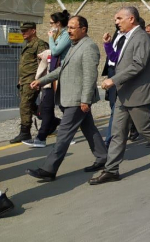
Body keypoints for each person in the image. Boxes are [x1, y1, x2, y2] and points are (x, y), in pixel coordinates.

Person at [90, 7, 150, 185]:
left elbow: (138, 64)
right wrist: (107, 45)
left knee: (146, 129)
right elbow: (116, 59)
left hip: (137, 93)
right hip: (125, 93)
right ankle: (111, 169)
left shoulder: (141, 37)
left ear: (131, 19)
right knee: (117, 132)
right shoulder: (125, 37)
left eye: (119, 18)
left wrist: (113, 80)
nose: (116, 22)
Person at [26, 16, 108, 181]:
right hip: (71, 97)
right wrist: (41, 81)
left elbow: (90, 76)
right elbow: (61, 70)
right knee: (89, 129)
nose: (68, 31)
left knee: (63, 134)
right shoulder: (74, 46)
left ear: (83, 29)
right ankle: (103, 157)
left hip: (77, 99)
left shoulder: (89, 47)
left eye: (72, 27)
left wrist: (85, 100)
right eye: (68, 28)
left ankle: (49, 169)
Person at [22, 11, 71, 148]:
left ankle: (47, 136)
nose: (49, 26)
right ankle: (42, 137)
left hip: (60, 75)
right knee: (47, 107)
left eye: (51, 23)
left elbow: (56, 52)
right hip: (53, 75)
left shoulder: (65, 35)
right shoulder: (59, 35)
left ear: (58, 23)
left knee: (63, 107)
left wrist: (50, 39)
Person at [10, 22, 49, 144]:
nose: (23, 33)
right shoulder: (27, 45)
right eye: (22, 31)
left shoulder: (39, 44)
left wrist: (39, 80)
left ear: (33, 30)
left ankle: (25, 132)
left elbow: (43, 63)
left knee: (25, 104)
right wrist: (21, 78)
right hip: (25, 80)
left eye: (26, 30)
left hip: (32, 80)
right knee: (27, 104)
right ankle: (50, 120)